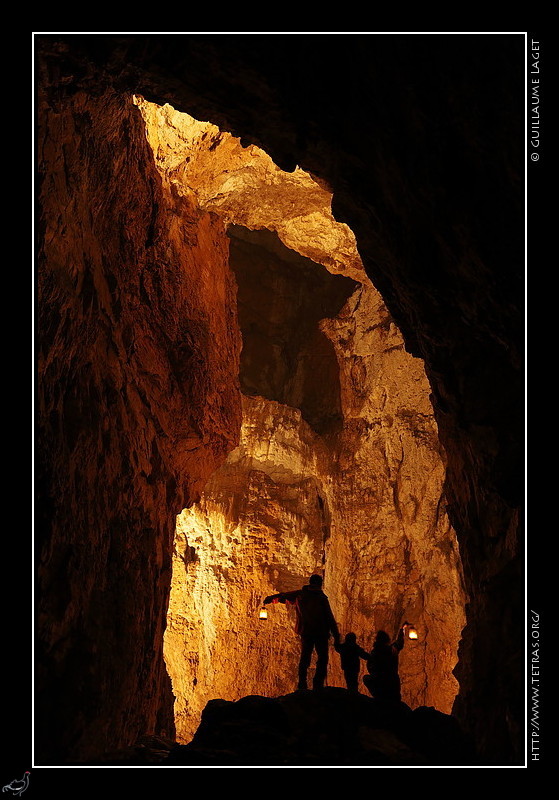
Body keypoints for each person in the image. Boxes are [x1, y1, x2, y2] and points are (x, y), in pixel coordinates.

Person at [264, 574, 340, 690]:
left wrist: (271, 598)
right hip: (321, 633)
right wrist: (336, 636)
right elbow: (329, 618)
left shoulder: (300, 595)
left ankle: (302, 684)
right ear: (320, 584)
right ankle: (317, 684)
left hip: (307, 632)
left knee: (305, 658)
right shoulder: (321, 598)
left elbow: (284, 596)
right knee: (322, 658)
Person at [362, 622, 410, 702]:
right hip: (393, 684)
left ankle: (379, 700)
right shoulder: (392, 650)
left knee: (366, 678)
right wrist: (402, 629)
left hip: (380, 684)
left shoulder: (375, 653)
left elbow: (370, 667)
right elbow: (399, 642)